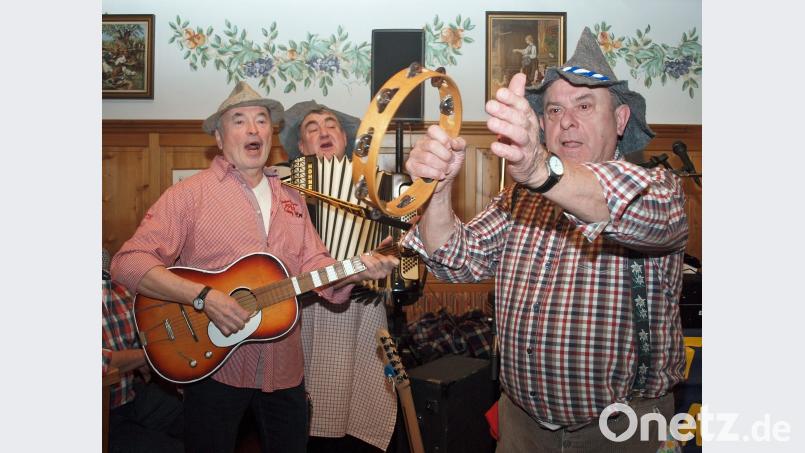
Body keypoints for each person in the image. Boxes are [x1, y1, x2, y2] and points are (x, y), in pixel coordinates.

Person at [403, 27, 688, 452]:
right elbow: (455, 259)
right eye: (553, 110)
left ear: (621, 119)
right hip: (522, 426)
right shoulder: (521, 200)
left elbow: (630, 209)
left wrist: (540, 169)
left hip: (622, 430)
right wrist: (437, 190)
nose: (566, 121)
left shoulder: (657, 189)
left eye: (585, 105)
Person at [111, 82, 399, 453]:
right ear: (219, 136)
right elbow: (128, 262)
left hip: (285, 369)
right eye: (239, 120)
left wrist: (356, 270)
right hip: (213, 367)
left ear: (270, 135)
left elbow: (315, 264)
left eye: (262, 120)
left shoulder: (292, 198)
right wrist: (203, 297)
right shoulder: (189, 196)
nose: (253, 129)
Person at [279, 100, 397, 452]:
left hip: (365, 307)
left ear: (345, 140)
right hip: (307, 310)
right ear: (301, 148)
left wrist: (398, 266)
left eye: (331, 125)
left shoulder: (379, 183)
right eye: (311, 129)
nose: (324, 131)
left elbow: (400, 246)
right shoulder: (286, 186)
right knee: (311, 409)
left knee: (366, 405)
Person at [102, 249, 183, 453]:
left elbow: (142, 340)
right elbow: (103, 362)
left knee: (198, 414)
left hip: (128, 396)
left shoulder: (120, 292)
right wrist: (146, 357)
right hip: (104, 415)